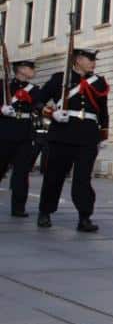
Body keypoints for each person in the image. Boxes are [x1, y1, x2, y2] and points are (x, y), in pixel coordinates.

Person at [35, 48, 110, 232]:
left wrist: (102, 135)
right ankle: (45, 211)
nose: (93, 62)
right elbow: (37, 101)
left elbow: (103, 111)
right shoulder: (59, 79)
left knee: (83, 178)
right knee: (55, 176)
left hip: (88, 135)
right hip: (63, 134)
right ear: (77, 60)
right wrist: (52, 113)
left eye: (94, 59)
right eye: (89, 59)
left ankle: (84, 216)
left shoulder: (98, 83)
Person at [0, 58, 39, 218]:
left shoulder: (34, 89)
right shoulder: (4, 85)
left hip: (24, 133)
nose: (33, 70)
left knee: (22, 173)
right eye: (30, 67)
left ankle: (18, 207)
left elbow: (39, 104)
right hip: (4, 132)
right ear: (21, 69)